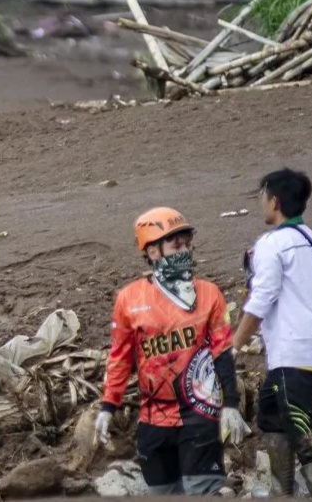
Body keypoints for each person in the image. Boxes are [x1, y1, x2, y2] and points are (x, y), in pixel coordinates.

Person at [95, 207, 249, 495]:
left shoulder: (209, 293)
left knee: (202, 491)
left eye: (187, 244)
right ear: (153, 252)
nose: (185, 251)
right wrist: (108, 406)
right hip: (153, 419)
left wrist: (230, 404)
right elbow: (119, 357)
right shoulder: (129, 299)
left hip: (200, 415)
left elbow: (222, 352)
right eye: (176, 245)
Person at [233, 168, 312, 497]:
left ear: (274, 201)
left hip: (294, 348)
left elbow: (261, 299)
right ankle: (283, 492)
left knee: (301, 426)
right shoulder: (310, 238)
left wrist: (234, 344)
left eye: (263, 197)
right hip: (306, 347)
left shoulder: (273, 243)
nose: (262, 204)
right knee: (272, 415)